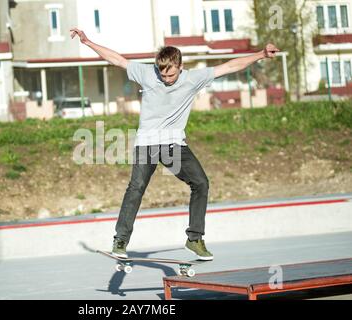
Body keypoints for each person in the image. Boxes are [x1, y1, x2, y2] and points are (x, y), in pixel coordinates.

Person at [70, 28, 280, 260]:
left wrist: (261, 54)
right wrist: (88, 42)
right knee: (136, 187)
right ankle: (120, 240)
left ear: (180, 67)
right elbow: (117, 59)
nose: (167, 80)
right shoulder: (147, 73)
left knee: (201, 183)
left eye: (171, 75)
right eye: (163, 76)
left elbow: (229, 66)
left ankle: (194, 239)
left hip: (173, 146)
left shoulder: (193, 79)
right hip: (147, 144)